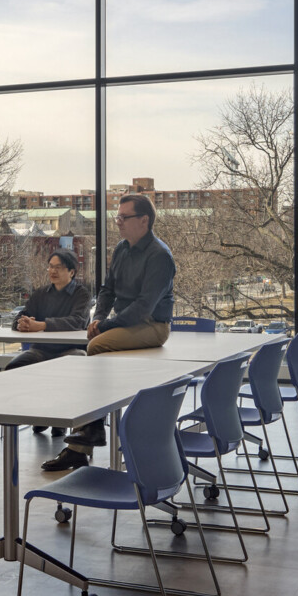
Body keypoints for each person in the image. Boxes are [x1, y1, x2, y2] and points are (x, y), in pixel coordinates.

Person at [42, 193, 175, 472]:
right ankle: (85, 438)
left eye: (124, 218)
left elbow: (142, 308)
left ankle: (90, 432)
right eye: (118, 217)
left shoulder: (160, 256)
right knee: (96, 342)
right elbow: (108, 291)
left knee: (96, 347)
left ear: (144, 221)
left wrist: (104, 327)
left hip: (152, 325)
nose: (118, 223)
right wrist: (99, 317)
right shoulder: (122, 250)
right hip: (127, 323)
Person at [4, 248, 92, 371]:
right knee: (13, 367)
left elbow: (77, 321)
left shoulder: (82, 294)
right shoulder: (41, 293)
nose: (53, 271)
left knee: (78, 360)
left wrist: (41, 325)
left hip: (71, 349)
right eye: (50, 267)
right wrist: (22, 324)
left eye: (58, 268)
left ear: (71, 272)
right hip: (41, 350)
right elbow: (22, 315)